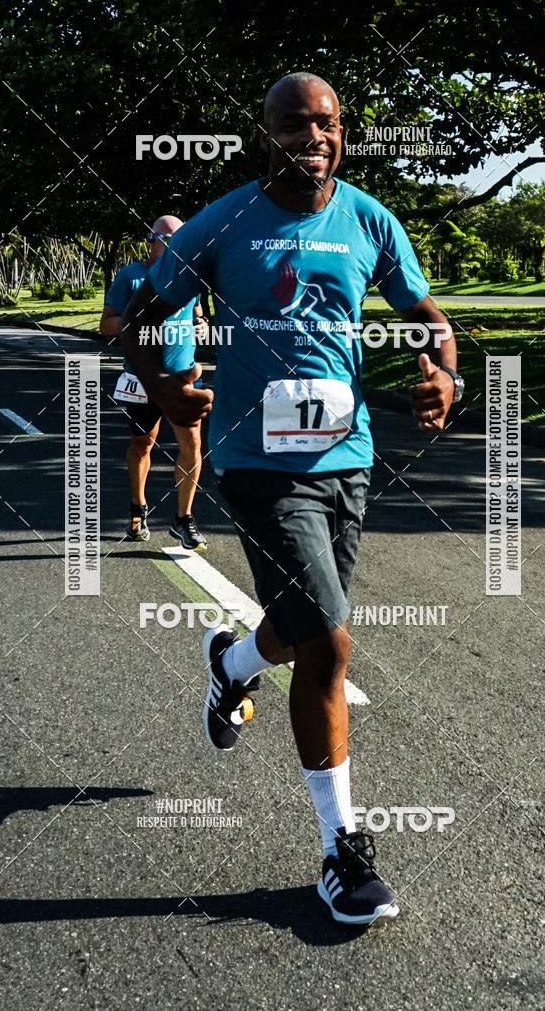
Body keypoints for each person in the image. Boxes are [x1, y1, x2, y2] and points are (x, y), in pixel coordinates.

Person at [121, 74, 463, 926]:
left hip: (347, 461)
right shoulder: (225, 221)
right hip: (254, 465)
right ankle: (343, 851)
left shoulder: (368, 219)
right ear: (263, 133)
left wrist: (443, 372)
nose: (314, 136)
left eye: (329, 122)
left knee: (307, 623)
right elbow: (142, 315)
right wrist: (166, 391)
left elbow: (426, 314)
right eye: (294, 124)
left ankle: (230, 666)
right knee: (331, 644)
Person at [99, 215, 207, 550]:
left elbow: (197, 314)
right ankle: (137, 508)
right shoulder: (131, 277)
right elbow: (106, 325)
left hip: (182, 377)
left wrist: (201, 324)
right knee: (143, 444)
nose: (174, 245)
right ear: (152, 240)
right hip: (141, 378)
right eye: (167, 239)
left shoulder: (189, 278)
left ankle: (184, 519)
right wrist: (136, 323)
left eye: (180, 239)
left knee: (191, 446)